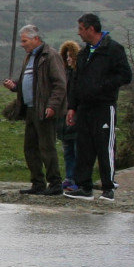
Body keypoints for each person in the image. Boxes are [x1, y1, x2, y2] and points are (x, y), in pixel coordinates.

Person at [65, 13, 133, 201]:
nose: (79, 33)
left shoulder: (113, 50)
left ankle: (108, 188)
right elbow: (76, 81)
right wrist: (72, 106)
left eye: (81, 29)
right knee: (84, 147)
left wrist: (103, 85)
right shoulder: (84, 54)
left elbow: (126, 76)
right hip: (84, 107)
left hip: (104, 106)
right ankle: (84, 187)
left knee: (105, 146)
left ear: (91, 29)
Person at [3, 24, 67, 195]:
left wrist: (52, 106)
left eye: (25, 41)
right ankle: (37, 183)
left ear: (36, 39)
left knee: (47, 147)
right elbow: (28, 81)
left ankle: (55, 183)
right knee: (30, 148)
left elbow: (60, 84)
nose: (22, 44)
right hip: (30, 109)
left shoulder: (50, 56)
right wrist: (15, 86)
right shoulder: (29, 57)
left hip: (44, 109)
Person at [58, 40, 81, 190]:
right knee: (68, 149)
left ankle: (77, 179)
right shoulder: (64, 73)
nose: (68, 59)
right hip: (64, 115)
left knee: (77, 148)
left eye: (70, 56)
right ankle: (69, 177)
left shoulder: (79, 73)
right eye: (66, 57)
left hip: (77, 115)